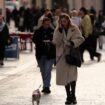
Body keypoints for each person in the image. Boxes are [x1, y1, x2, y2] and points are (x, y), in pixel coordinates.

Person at [53, 13, 84, 105]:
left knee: (72, 76)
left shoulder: (74, 28)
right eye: (61, 21)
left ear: (68, 20)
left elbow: (81, 38)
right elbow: (56, 42)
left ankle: (73, 95)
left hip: (71, 55)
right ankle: (68, 96)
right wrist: (59, 32)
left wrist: (72, 42)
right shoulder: (58, 30)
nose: (63, 23)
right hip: (61, 56)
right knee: (64, 78)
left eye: (65, 21)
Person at [33, 17, 55, 94]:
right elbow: (34, 40)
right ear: (43, 23)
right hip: (40, 54)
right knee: (43, 71)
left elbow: (55, 40)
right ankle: (45, 85)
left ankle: (46, 87)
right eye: (46, 24)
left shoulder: (53, 31)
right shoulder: (38, 31)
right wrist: (42, 41)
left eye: (48, 24)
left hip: (50, 55)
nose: (47, 26)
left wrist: (51, 41)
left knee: (47, 70)